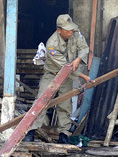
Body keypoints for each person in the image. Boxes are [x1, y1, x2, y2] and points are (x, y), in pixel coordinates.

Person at [24, 14, 92, 143]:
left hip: (68, 76)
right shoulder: (52, 44)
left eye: (71, 29)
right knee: (41, 102)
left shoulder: (75, 34)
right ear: (59, 30)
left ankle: (63, 134)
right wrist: (83, 76)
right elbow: (64, 67)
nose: (70, 33)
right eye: (67, 31)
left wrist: (78, 58)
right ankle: (31, 131)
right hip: (52, 74)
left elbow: (84, 48)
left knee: (65, 104)